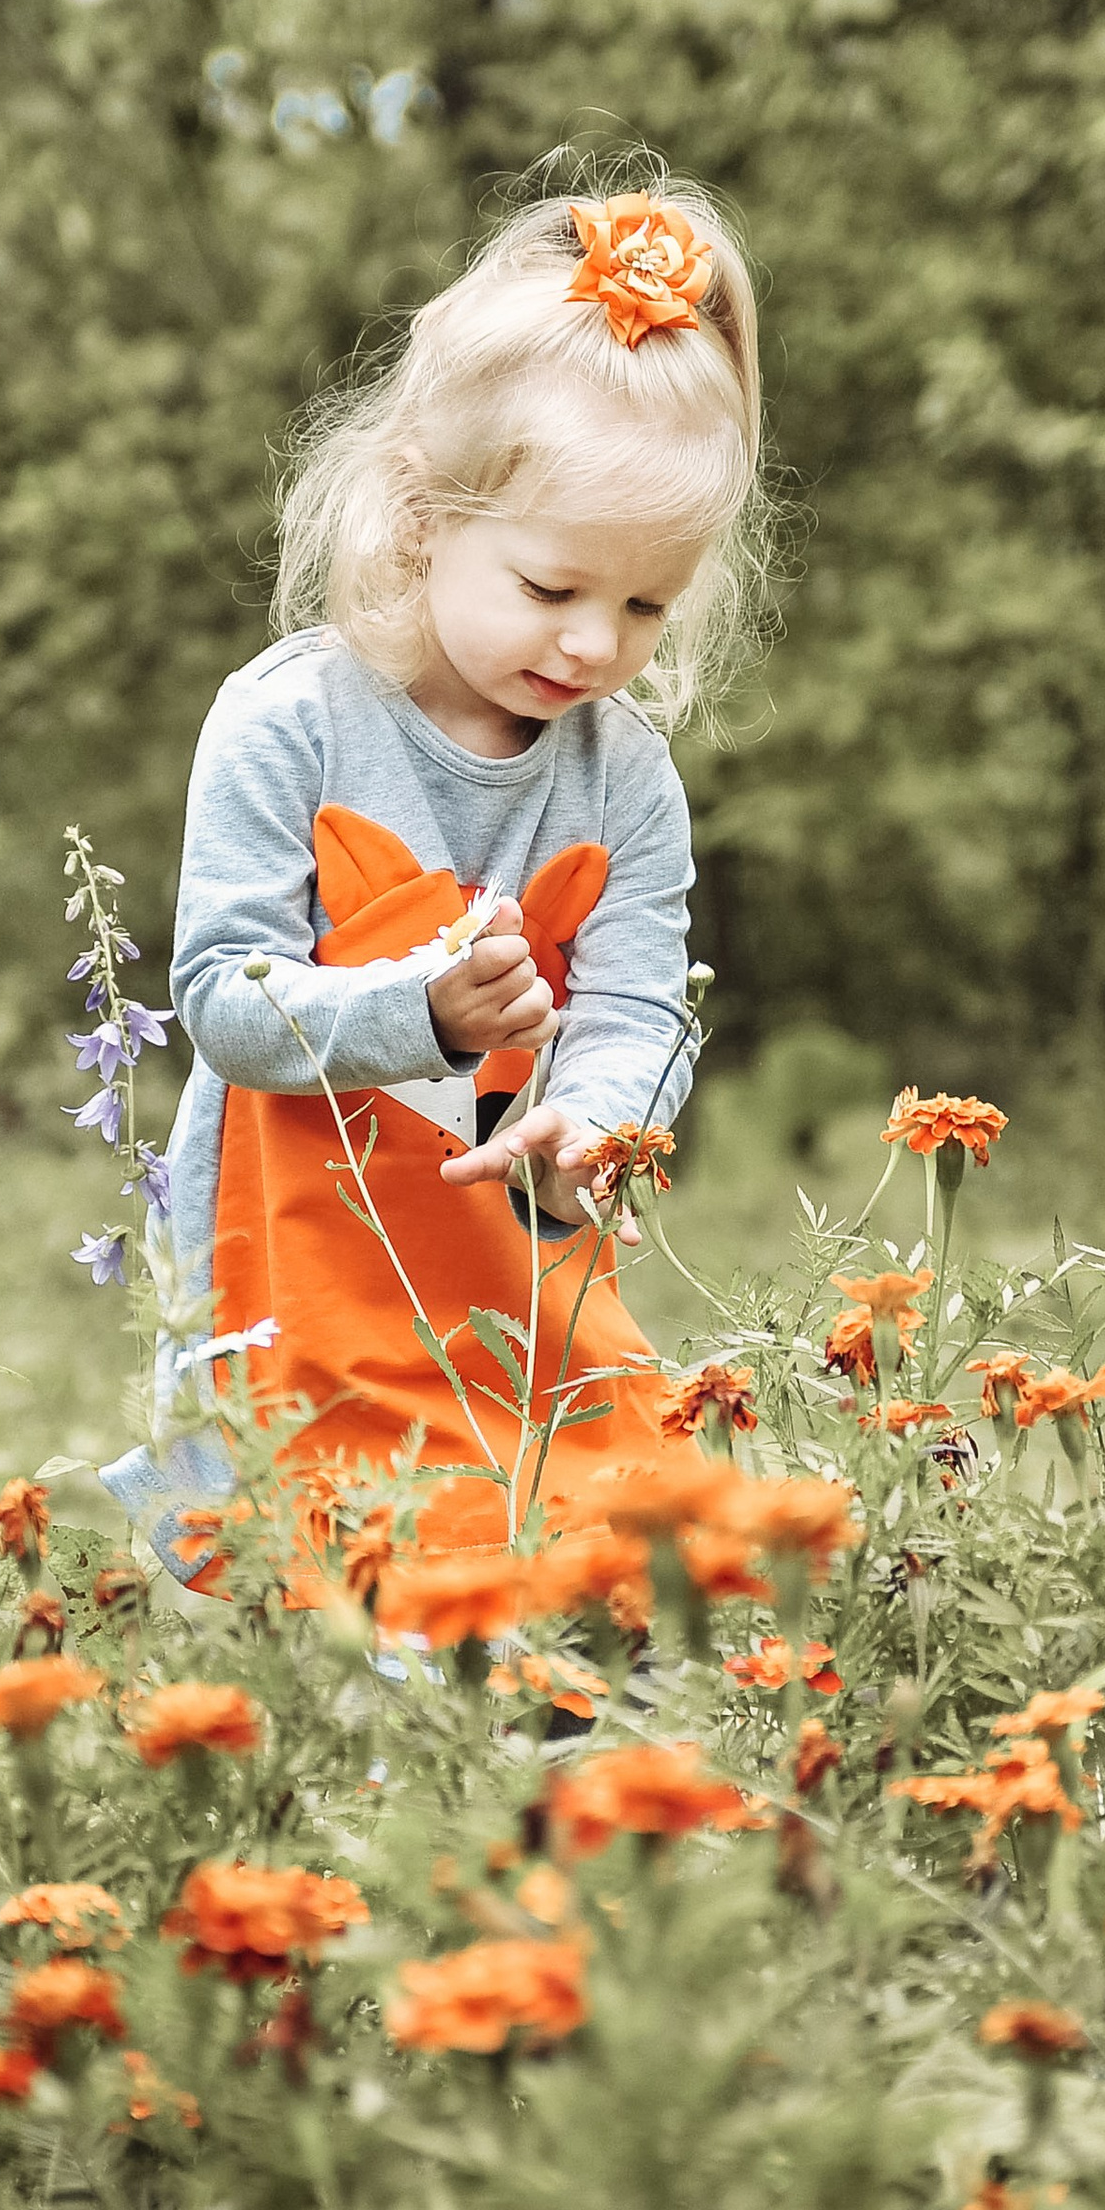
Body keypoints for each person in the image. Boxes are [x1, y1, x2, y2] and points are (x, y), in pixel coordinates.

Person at [104, 171, 771, 1572]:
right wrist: (426, 1013)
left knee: (586, 1556)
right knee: (299, 1564)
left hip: (507, 1259)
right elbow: (222, 996)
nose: (595, 645)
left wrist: (595, 1124)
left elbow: (641, 1013)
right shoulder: (292, 722)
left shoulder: (624, 776)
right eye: (552, 589)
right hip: (288, 1256)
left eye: (645, 604)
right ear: (422, 517)